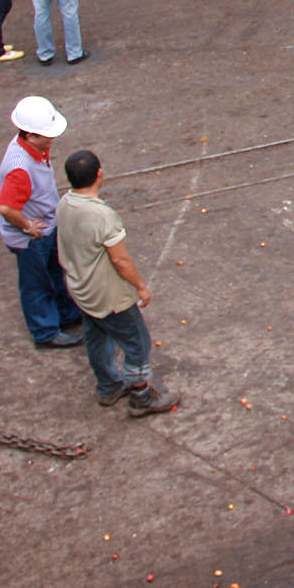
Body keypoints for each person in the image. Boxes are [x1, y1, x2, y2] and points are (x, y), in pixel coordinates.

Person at [57, 150, 181, 416]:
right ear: (99, 174)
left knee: (96, 337)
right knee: (137, 342)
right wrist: (140, 286)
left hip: (81, 289)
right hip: (107, 294)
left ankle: (108, 386)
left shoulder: (65, 203)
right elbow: (121, 260)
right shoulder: (102, 216)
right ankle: (141, 395)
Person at [0, 95, 83, 348]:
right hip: (32, 236)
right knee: (37, 283)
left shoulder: (33, 147)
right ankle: (45, 331)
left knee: (55, 271)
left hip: (46, 227)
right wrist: (27, 225)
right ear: (30, 135)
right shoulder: (20, 168)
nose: (52, 140)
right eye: (47, 135)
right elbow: (5, 207)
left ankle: (65, 315)